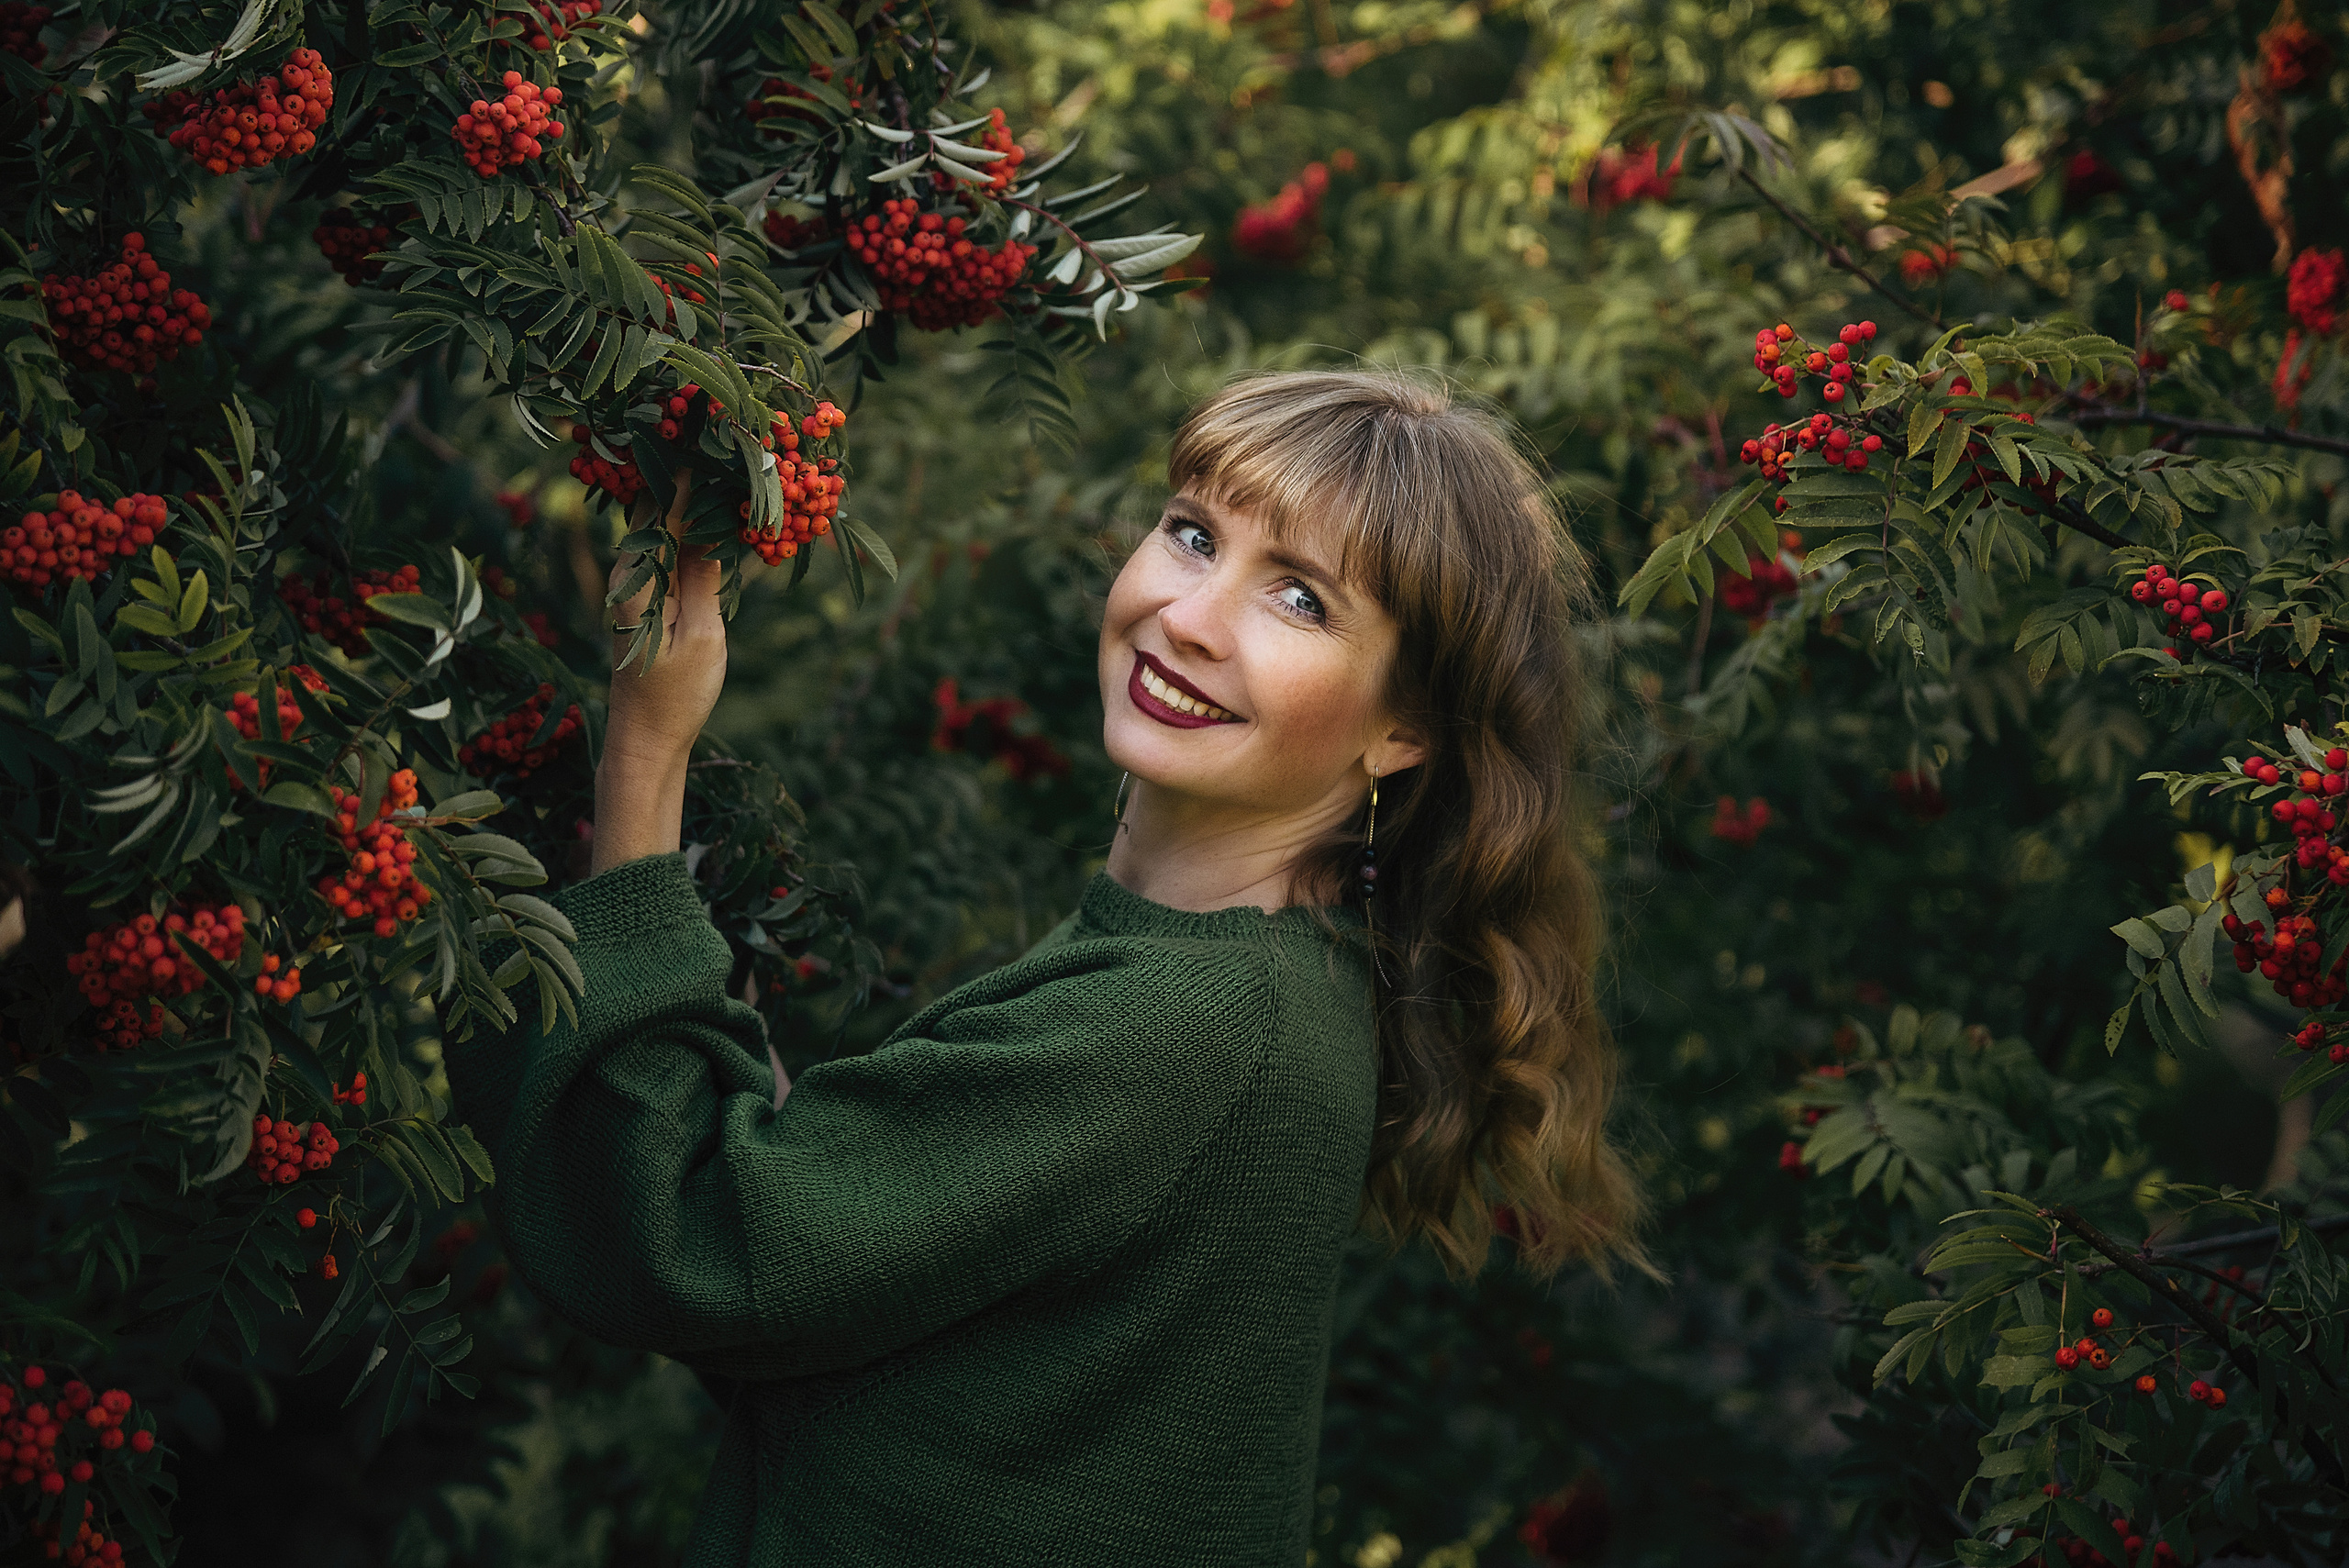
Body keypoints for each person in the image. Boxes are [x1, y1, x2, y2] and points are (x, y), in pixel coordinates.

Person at [445, 369, 1646, 1565]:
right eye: (1193, 534)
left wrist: (644, 750)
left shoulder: (1190, 1022)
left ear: (1403, 728)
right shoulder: (1289, 974)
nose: (1190, 615)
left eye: (1298, 599)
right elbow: (873, 1305)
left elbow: (690, 1243)